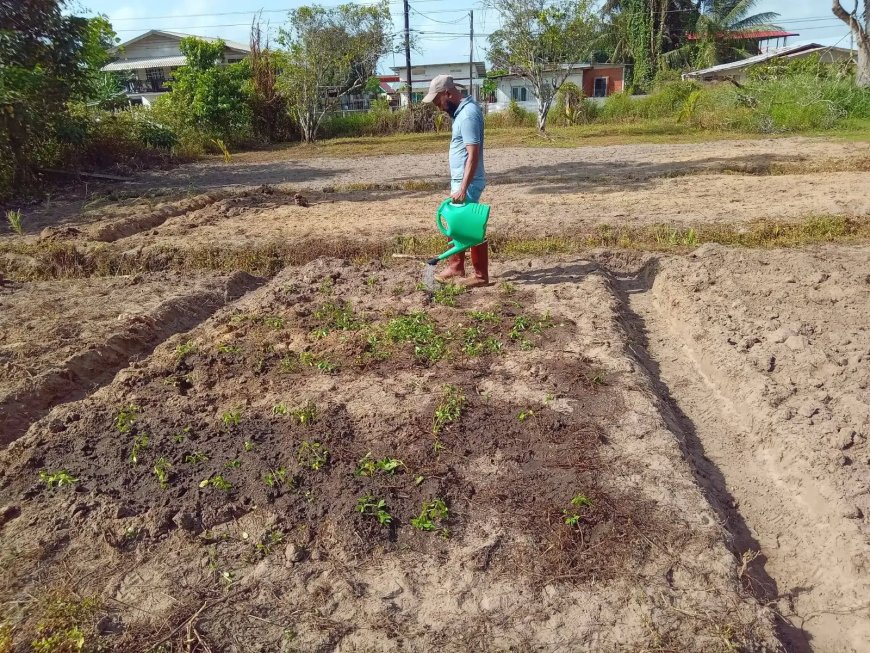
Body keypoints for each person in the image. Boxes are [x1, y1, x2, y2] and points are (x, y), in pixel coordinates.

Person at [422, 74, 489, 287]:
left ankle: (480, 276)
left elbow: (473, 154)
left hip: (468, 181)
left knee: (470, 226)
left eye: (438, 101)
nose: (438, 107)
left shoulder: (468, 115)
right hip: (461, 180)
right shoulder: (461, 113)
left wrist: (463, 188)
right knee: (455, 222)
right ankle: (456, 266)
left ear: (448, 94)